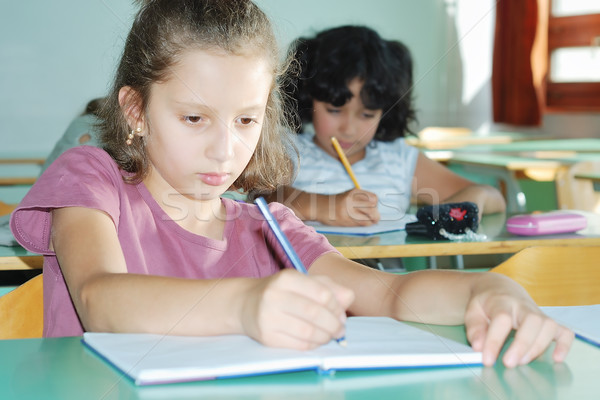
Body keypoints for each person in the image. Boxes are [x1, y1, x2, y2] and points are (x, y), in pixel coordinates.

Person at [10, 0, 571, 368]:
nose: (225, 149)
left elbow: (387, 293)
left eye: (246, 120)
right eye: (193, 118)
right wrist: (246, 303)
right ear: (135, 110)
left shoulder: (268, 227)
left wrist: (491, 292)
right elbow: (101, 299)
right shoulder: (92, 180)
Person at [269, 26, 506, 227]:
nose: (349, 129)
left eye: (367, 114)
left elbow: (493, 197)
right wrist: (322, 207)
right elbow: (264, 199)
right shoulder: (289, 151)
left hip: (391, 279)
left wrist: (472, 201)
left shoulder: (399, 159)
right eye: (334, 110)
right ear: (309, 100)